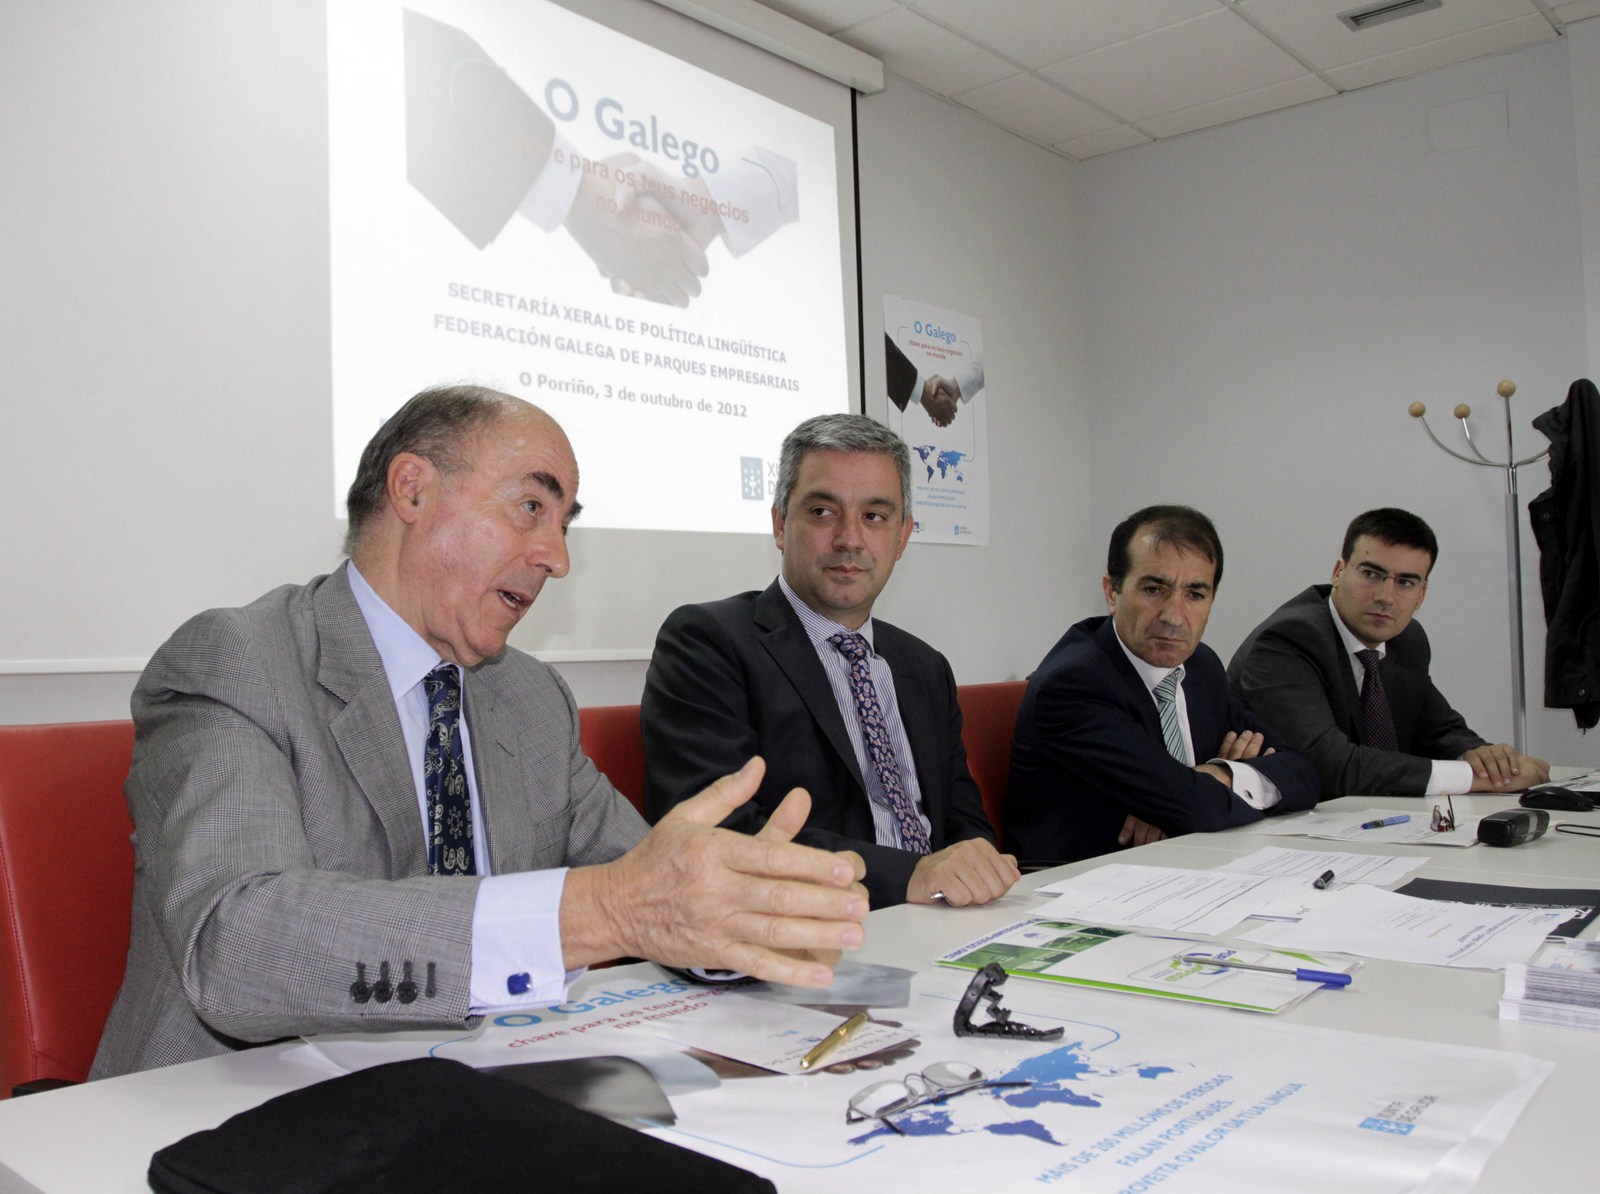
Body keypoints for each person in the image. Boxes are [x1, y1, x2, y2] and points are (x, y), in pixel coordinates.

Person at [91, 386, 868, 1079]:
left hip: (473, 1093)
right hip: (226, 1113)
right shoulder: (239, 661)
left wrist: (738, 912)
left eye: (564, 524)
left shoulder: (528, 697)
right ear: (411, 489)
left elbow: (649, 886)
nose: (556, 558)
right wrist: (599, 912)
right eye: (531, 507)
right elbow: (235, 945)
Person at [641, 414, 1019, 908]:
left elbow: (965, 825)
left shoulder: (925, 667)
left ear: (903, 537)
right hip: (808, 924)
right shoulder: (708, 643)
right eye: (822, 511)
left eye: (875, 516)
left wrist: (975, 870)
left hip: (943, 920)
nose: (849, 539)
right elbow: (714, 834)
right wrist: (908, 876)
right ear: (780, 524)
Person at [1005, 505, 1319, 863]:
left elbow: (1303, 774)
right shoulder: (1073, 684)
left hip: (1189, 866)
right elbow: (1195, 808)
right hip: (1085, 878)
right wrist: (1187, 798)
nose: (1174, 617)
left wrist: (1220, 774)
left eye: (1195, 594)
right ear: (1112, 592)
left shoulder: (1200, 666)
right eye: (1154, 589)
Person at [1228, 508, 1550, 798]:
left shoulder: (1406, 639)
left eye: (1405, 582)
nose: (1386, 596)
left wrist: (1485, 759)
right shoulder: (1289, 641)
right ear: (1339, 572)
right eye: (1371, 574)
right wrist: (1473, 778)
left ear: (1421, 594)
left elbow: (1439, 730)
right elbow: (1329, 766)